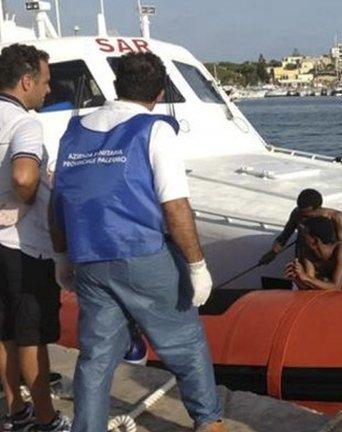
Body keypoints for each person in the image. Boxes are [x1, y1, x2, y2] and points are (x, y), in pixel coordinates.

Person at [50, 52, 225, 432]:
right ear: (160, 94)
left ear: (115, 86)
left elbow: (58, 200)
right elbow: (176, 207)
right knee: (185, 340)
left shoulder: (73, 131)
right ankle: (208, 421)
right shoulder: (154, 129)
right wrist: (197, 267)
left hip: (89, 260)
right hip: (141, 252)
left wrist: (62, 256)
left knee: (95, 357)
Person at [0, 44, 71, 432]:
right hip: (22, 248)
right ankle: (46, 418)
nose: (48, 91)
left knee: (4, 331)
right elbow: (25, 176)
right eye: (44, 82)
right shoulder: (25, 123)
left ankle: (16, 411)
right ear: (25, 81)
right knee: (31, 335)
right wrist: (20, 202)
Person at [259, 188, 342, 265]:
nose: (303, 216)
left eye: (306, 214)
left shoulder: (337, 217)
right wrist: (273, 252)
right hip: (303, 262)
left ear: (317, 208)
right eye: (300, 211)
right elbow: (284, 236)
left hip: (326, 263)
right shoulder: (297, 213)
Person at [284, 216, 342, 290]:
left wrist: (305, 277)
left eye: (304, 236)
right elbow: (309, 286)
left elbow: (336, 286)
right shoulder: (308, 254)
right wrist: (297, 278)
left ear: (315, 241)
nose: (302, 239)